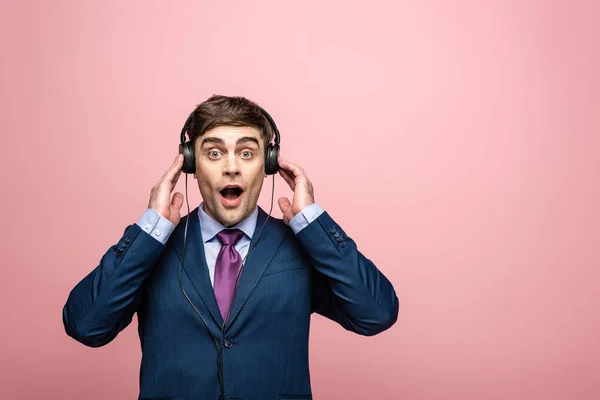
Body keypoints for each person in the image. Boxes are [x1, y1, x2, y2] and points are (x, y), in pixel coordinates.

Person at [62, 95, 399, 400]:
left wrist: (312, 220)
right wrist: (151, 227)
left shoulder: (302, 246)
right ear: (191, 165)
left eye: (248, 152)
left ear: (267, 165)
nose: (232, 166)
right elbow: (86, 325)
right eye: (213, 152)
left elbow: (377, 314)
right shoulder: (153, 247)